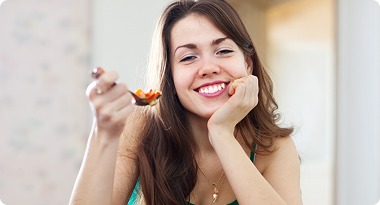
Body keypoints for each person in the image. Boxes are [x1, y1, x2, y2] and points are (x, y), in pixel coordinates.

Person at [69, 0, 303, 204]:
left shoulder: (275, 148)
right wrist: (104, 133)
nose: (209, 68)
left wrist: (222, 133)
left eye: (222, 51)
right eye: (188, 57)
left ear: (248, 65)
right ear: (169, 77)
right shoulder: (138, 127)